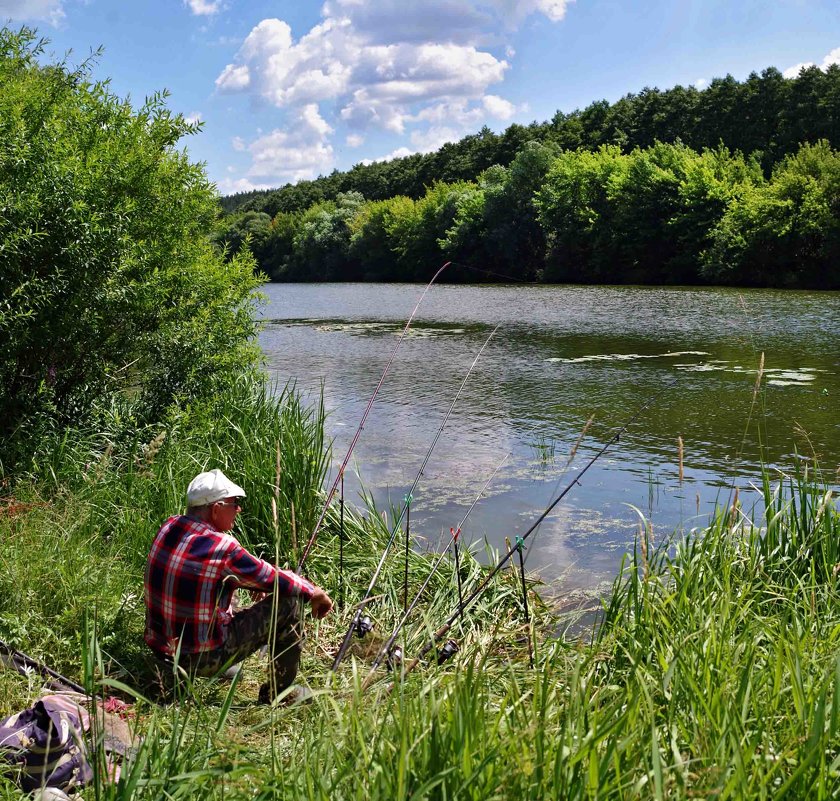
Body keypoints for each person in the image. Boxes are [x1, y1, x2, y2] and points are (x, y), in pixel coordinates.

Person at [143, 468, 332, 703]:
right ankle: (279, 694)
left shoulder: (169, 526)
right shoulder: (222, 546)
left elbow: (242, 573)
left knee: (233, 596)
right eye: (234, 504)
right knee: (291, 603)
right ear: (216, 508)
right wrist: (314, 592)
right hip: (197, 656)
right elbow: (274, 578)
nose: (238, 509)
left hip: (162, 649)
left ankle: (196, 665)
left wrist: (254, 584)